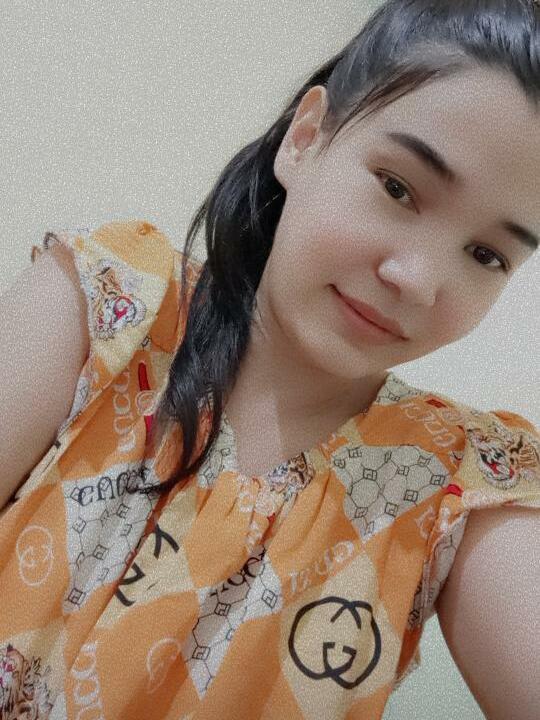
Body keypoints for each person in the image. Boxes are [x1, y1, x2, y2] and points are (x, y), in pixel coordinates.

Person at [0, 0, 539, 717]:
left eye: (486, 255)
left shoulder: (458, 484)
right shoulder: (106, 310)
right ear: (306, 138)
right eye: (398, 187)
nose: (417, 280)